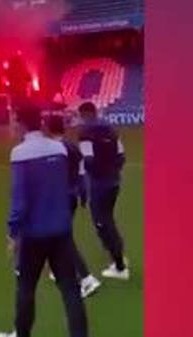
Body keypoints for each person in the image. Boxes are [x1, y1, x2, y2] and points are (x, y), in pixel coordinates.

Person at [0, 103, 89, 337]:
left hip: (34, 233)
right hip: (61, 229)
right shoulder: (59, 149)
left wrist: (12, 233)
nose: (11, 125)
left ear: (20, 121)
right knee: (70, 289)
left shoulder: (20, 153)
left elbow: (19, 200)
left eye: (12, 119)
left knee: (26, 288)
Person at [44, 112, 102, 298]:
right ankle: (59, 268)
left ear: (47, 128)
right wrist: (83, 195)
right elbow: (81, 173)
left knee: (63, 240)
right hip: (72, 197)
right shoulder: (72, 147)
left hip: (59, 199)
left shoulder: (53, 150)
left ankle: (87, 279)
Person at [77, 102, 128, 280]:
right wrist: (112, 170)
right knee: (108, 219)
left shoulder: (85, 133)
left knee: (102, 222)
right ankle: (117, 255)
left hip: (100, 184)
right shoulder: (111, 129)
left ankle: (120, 265)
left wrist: (96, 176)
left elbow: (88, 160)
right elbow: (122, 156)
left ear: (84, 114)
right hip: (114, 182)